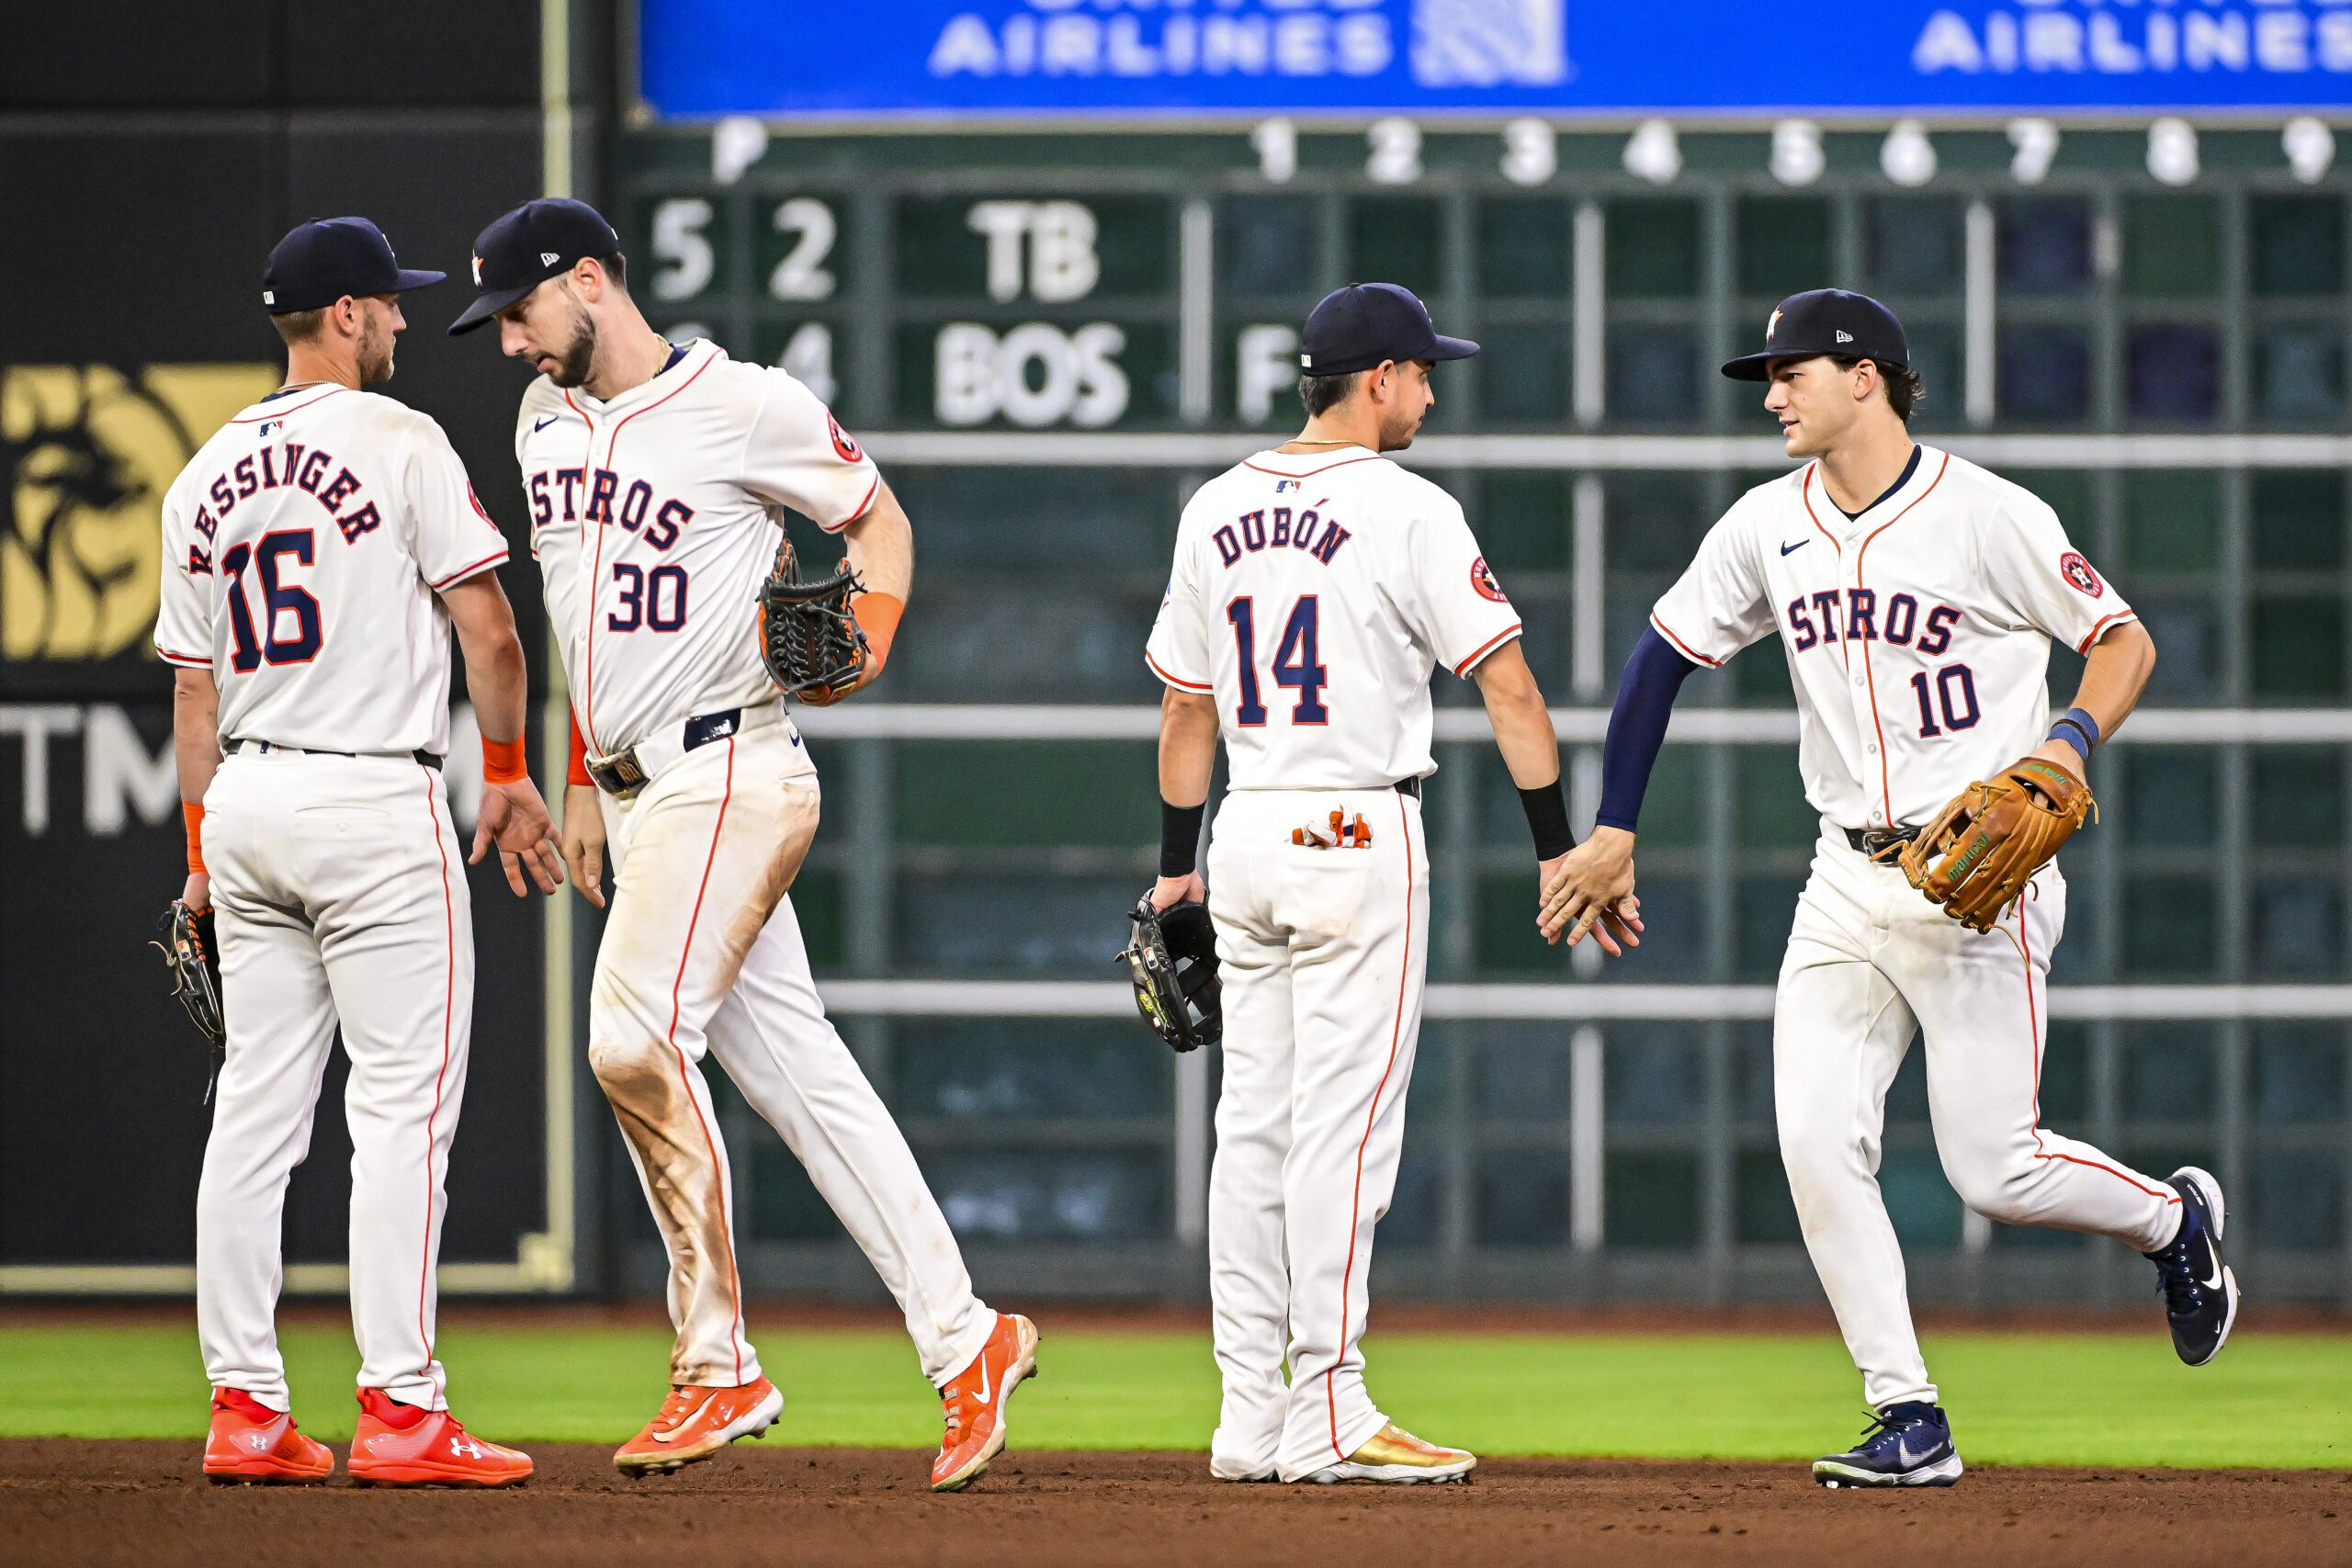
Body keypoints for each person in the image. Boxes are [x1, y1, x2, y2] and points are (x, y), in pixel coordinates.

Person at [1540, 288, 2237, 1489]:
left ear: (1865, 378)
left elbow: (2121, 640)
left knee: (1995, 1172)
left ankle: (2177, 1223)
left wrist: (2066, 744)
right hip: (1844, 879)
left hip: (1980, 882)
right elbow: (1660, 661)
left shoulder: (1987, 517)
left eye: (1790, 373)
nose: (1771, 395)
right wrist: (1614, 828)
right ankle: (1908, 1415)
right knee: (1815, 1139)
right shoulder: (1768, 526)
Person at [448, 197, 1036, 1491]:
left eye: (521, 313)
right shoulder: (542, 423)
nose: (507, 344)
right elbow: (575, 612)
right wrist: (583, 776)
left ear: (593, 280)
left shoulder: (747, 403)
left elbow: (876, 523)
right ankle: (968, 1337)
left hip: (736, 767)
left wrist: (869, 636)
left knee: (633, 1037)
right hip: (640, 790)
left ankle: (716, 1365)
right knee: (806, 1083)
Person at [1144, 283, 1640, 1485]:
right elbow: (1509, 690)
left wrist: (1173, 874)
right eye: (1422, 371)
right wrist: (1559, 847)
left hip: (1246, 833)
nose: (1430, 390)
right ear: (1376, 380)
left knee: (1251, 1129)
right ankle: (1330, 1406)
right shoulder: (1409, 507)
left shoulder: (1214, 506)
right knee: (1344, 1133)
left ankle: (1247, 1420)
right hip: (1361, 831)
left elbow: (1184, 708)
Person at [160, 217, 559, 1487]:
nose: (397, 322)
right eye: (387, 305)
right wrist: (506, 773)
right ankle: (400, 1408)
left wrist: (199, 855)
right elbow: (488, 631)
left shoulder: (199, 475)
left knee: (253, 1115)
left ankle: (245, 1409)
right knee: (400, 1114)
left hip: (251, 807)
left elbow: (191, 696)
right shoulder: (397, 441)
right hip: (375, 806)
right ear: (342, 314)